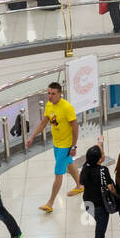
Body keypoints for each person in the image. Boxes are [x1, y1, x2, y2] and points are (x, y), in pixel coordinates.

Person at [26, 82, 83, 213]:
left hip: (65, 145)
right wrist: (32, 136)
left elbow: (75, 127)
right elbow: (44, 122)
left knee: (58, 173)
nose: (50, 96)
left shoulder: (67, 108)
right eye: (48, 93)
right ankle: (80, 185)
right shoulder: (49, 105)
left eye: (53, 94)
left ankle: (50, 203)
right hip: (56, 143)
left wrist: (73, 146)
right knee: (69, 164)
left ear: (60, 94)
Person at [80, 144, 117, 238]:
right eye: (102, 154)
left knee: (99, 225)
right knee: (99, 231)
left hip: (88, 203)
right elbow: (111, 188)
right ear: (100, 159)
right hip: (100, 206)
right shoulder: (103, 171)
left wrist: (100, 142)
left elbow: (82, 182)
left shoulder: (85, 167)